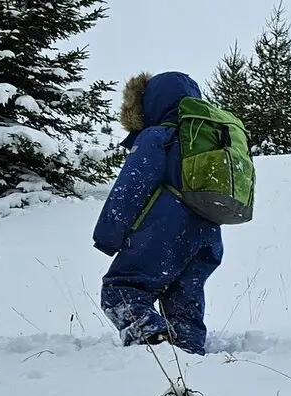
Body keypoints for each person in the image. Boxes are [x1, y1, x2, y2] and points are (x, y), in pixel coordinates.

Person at [92, 72, 223, 355]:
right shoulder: (208, 138)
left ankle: (154, 344)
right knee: (183, 299)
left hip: (165, 231)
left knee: (121, 289)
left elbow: (131, 187)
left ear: (150, 103)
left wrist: (108, 235)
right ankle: (189, 354)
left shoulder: (157, 136)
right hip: (208, 233)